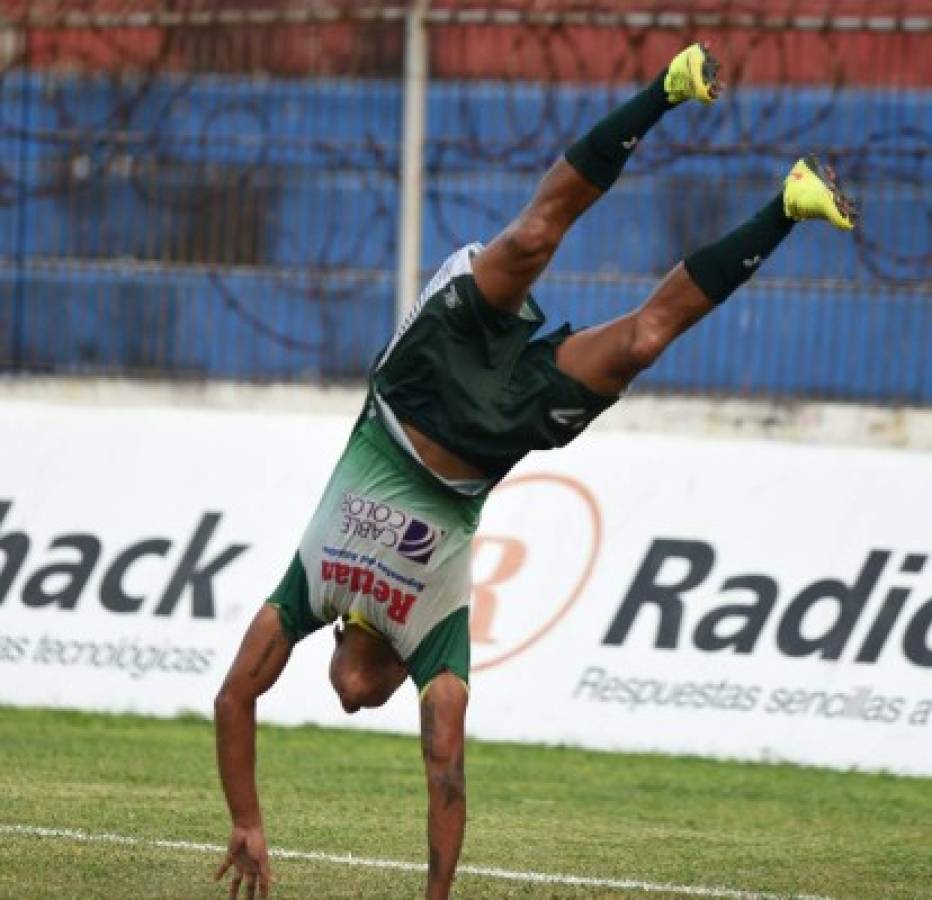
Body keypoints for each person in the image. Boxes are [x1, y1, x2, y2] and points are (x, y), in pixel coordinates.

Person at [212, 42, 856, 900]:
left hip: (412, 385)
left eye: (352, 692)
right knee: (643, 341)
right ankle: (790, 201)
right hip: (493, 441)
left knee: (533, 233)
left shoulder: (311, 588)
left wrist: (246, 817)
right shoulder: (435, 641)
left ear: (339, 642)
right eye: (372, 700)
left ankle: (671, 84)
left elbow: (233, 698)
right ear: (399, 675)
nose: (354, 699)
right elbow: (446, 776)